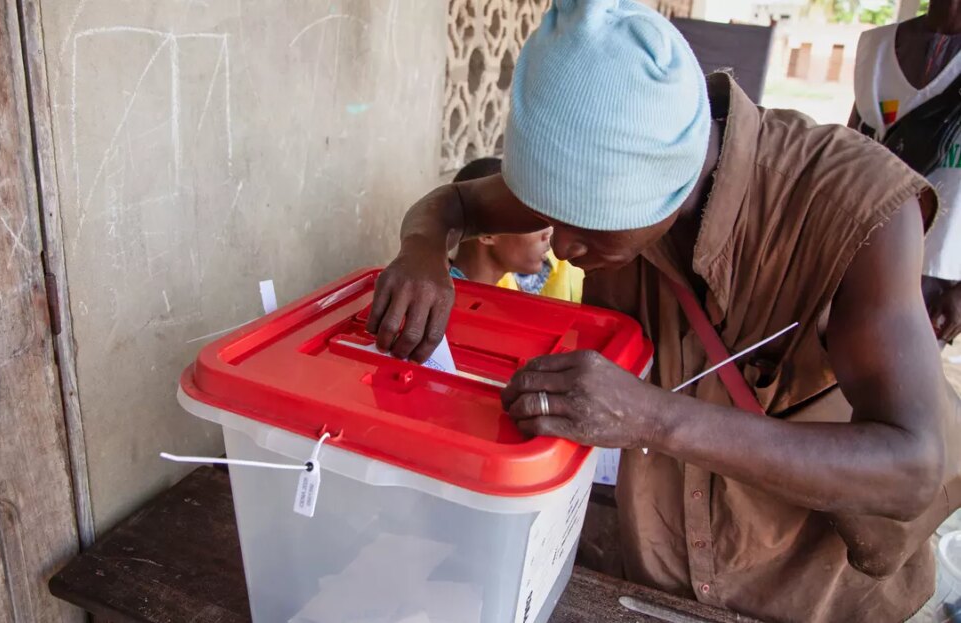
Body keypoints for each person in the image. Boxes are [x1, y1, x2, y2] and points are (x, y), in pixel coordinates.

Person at [365, 2, 954, 622]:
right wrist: (422, 250)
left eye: (587, 227)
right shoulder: (594, 166)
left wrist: (653, 418)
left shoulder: (858, 213)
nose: (561, 246)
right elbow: (452, 205)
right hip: (651, 584)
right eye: (550, 217)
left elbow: (911, 467)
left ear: (668, 185)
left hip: (810, 598)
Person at [851, 0, 961, 343]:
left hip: (937, 271)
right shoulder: (878, 48)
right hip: (861, 250)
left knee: (890, 386)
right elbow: (849, 154)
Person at [449, 158, 584, 303]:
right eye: (532, 221)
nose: (548, 233)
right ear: (487, 234)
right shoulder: (446, 302)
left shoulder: (501, 297)